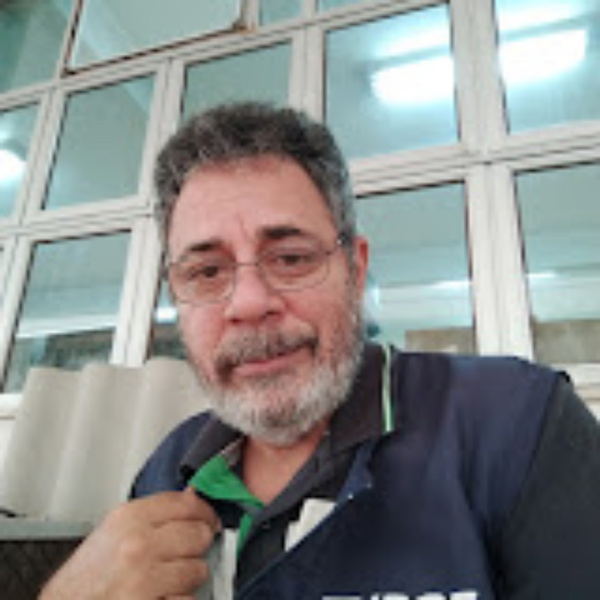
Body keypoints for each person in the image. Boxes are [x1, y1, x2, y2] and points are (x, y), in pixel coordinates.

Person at [41, 102, 600, 600]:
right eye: (207, 271)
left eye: (290, 258)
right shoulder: (166, 470)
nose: (249, 303)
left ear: (355, 270)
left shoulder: (518, 424)